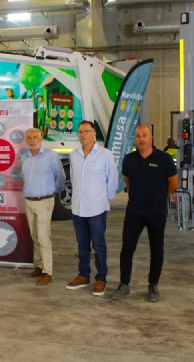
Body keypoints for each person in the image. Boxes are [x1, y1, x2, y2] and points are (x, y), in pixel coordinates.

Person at [112, 124, 179, 302]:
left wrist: (160, 197)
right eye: (138, 136)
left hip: (157, 212)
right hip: (134, 212)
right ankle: (124, 284)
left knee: (156, 249)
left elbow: (173, 183)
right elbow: (127, 180)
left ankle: (153, 285)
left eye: (144, 135)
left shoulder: (164, 159)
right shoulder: (129, 160)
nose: (141, 139)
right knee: (127, 248)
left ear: (151, 137)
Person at [66, 120, 118, 296]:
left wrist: (104, 199)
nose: (83, 135)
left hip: (96, 208)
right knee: (82, 245)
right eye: (80, 132)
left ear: (94, 133)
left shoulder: (105, 154)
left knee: (98, 245)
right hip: (78, 208)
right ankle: (83, 275)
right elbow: (73, 179)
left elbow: (112, 180)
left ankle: (101, 278)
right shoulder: (74, 155)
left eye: (86, 131)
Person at [21, 128, 65, 286]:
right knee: (34, 236)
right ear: (26, 140)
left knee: (43, 236)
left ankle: (48, 272)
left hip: (44, 201)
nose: (32, 140)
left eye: (35, 137)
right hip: (29, 201)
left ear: (41, 138)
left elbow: (60, 176)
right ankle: (40, 266)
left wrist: (54, 192)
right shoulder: (24, 157)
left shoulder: (51, 156)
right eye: (29, 137)